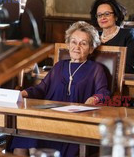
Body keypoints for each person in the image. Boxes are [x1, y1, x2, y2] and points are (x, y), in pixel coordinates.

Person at [10, 21, 110, 156]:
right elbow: (41, 89)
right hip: (49, 117)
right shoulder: (59, 66)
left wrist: (94, 99)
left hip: (75, 121)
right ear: (68, 44)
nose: (77, 47)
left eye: (83, 43)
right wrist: (23, 93)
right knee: (22, 141)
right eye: (74, 42)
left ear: (91, 49)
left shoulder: (96, 69)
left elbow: (104, 92)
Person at [90, 0, 134, 74]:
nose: (103, 18)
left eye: (107, 14)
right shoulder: (94, 36)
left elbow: (131, 68)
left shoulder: (128, 34)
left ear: (116, 16)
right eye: (99, 15)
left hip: (117, 80)